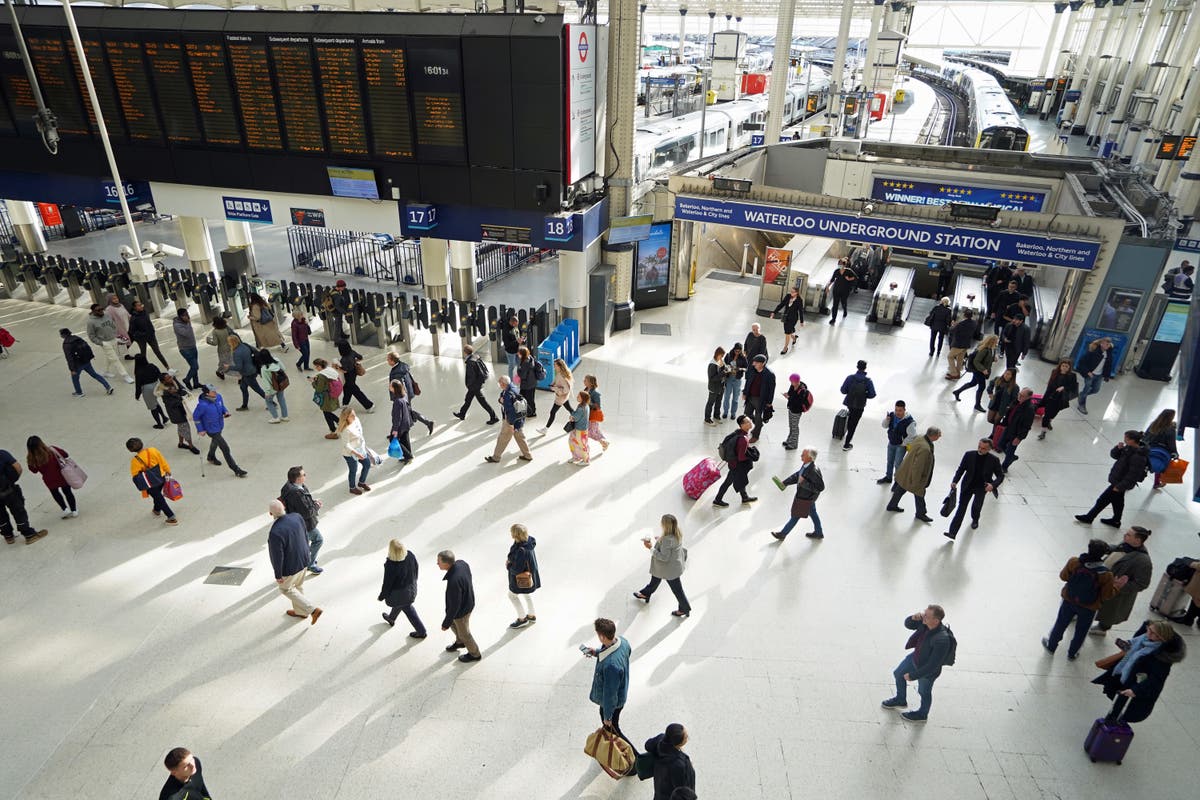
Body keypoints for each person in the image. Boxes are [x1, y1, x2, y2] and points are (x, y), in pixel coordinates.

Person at [1092, 620, 1186, 724]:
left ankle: (1111, 729)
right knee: (1117, 705)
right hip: (1125, 677)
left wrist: (1135, 690)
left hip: (1136, 687)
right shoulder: (1143, 639)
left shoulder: (1161, 659)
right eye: (1149, 629)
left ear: (1161, 638)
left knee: (1122, 710)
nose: (1148, 633)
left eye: (1153, 632)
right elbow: (1132, 648)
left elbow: (1155, 680)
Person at [1041, 539, 1118, 660]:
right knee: (1081, 631)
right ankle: (1072, 653)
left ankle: (1051, 646)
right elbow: (1106, 595)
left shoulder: (1074, 562)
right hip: (1089, 607)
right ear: (1103, 554)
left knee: (1060, 624)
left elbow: (1063, 576)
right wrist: (1117, 587)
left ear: (1089, 548)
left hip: (1069, 600)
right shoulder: (1106, 574)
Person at [880, 605, 952, 722]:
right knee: (898, 673)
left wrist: (913, 675)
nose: (923, 616)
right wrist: (913, 618)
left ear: (936, 620)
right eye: (924, 613)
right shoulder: (925, 623)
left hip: (927, 670)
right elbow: (908, 625)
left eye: (927, 616)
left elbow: (933, 665)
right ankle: (900, 699)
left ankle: (922, 714)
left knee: (924, 691)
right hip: (915, 658)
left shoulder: (942, 639)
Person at [1074, 430, 1151, 526]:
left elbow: (1133, 474)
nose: (1124, 440)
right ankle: (1116, 520)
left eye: (1126, 438)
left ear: (1132, 440)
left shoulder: (1138, 456)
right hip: (1118, 479)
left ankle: (1090, 517)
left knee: (1103, 500)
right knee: (1117, 501)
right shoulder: (1128, 448)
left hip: (1120, 482)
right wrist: (1118, 448)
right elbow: (1114, 455)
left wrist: (1121, 486)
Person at [1091, 526, 1154, 635]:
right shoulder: (1126, 544)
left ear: (1137, 540)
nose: (1124, 535)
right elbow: (1116, 548)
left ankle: (1103, 628)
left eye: (1129, 535)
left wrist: (1119, 586)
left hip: (1117, 591)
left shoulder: (1144, 561)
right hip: (1103, 581)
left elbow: (1142, 584)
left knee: (1109, 611)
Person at [267, 499, 321, 624]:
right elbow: (305, 536)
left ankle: (313, 610)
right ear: (284, 507)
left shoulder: (275, 532)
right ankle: (301, 612)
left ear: (270, 514)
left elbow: (277, 556)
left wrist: (278, 575)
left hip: (290, 567)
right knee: (298, 586)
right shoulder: (297, 517)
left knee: (286, 589)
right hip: (304, 560)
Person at [944, 438, 1004, 540]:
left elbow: (1000, 476)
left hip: (981, 488)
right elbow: (961, 469)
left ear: (989, 449)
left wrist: (992, 485)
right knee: (961, 508)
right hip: (968, 485)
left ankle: (975, 519)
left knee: (977, 506)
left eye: (984, 448)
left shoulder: (994, 460)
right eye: (979, 447)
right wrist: (955, 481)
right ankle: (952, 532)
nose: (980, 450)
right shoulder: (969, 455)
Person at [632, 514, 691, 618]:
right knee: (655, 580)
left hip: (668, 570)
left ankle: (684, 609)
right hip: (672, 566)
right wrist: (660, 539)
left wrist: (650, 547)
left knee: (677, 590)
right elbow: (671, 544)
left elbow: (664, 557)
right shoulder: (677, 532)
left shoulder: (667, 540)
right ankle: (646, 594)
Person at [585, 618, 633, 744]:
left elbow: (610, 695)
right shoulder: (623, 641)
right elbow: (623, 653)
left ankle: (633, 756)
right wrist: (596, 652)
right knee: (613, 728)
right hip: (621, 693)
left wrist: (607, 717)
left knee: (613, 728)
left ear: (602, 636)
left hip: (613, 705)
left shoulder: (611, 666)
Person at [192, 384, 248, 478]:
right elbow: (196, 417)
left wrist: (225, 412)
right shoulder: (202, 405)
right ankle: (236, 469)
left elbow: (222, 406)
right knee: (225, 448)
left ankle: (211, 456)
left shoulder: (218, 397)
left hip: (219, 425)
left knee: (215, 442)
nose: (215, 393)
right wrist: (200, 429)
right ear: (207, 393)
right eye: (213, 392)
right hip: (211, 429)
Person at [887, 427, 941, 522]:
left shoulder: (920, 437)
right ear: (933, 436)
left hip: (906, 470)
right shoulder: (925, 449)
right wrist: (916, 481)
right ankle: (921, 513)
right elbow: (918, 467)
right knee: (919, 493)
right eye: (938, 435)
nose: (939, 436)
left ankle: (892, 505)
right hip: (913, 475)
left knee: (901, 488)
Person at [770, 447, 826, 540]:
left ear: (810, 458)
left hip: (806, 499)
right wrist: (785, 483)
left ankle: (783, 534)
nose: (801, 456)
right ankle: (818, 532)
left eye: (803, 455)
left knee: (795, 516)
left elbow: (820, 487)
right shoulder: (806, 465)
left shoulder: (813, 471)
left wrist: (804, 483)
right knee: (813, 513)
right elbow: (798, 475)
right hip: (808, 498)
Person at [280, 465, 325, 575]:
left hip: (296, 522)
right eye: (303, 474)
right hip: (304, 524)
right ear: (298, 478)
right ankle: (309, 563)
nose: (305, 476)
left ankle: (306, 559)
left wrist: (312, 503)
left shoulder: (289, 486)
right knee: (318, 540)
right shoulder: (296, 493)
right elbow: (307, 513)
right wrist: (317, 506)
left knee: (303, 543)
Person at [439, 550, 481, 662]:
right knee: (454, 625)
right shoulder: (462, 563)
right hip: (468, 601)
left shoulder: (454, 581)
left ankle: (475, 654)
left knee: (465, 634)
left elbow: (454, 606)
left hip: (461, 611)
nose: (437, 564)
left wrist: (445, 623)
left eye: (439, 562)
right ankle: (459, 642)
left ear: (446, 564)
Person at [1, 446, 48, 544]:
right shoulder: (2, 454)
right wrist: (12, 480)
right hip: (8, 490)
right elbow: (18, 468)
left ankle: (8, 536)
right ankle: (29, 534)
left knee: (0, 515)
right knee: (18, 511)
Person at [379, 539, 425, 637]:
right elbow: (416, 568)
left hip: (399, 594)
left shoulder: (390, 565)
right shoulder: (410, 555)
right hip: (411, 589)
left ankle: (422, 632)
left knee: (408, 609)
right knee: (400, 605)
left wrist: (382, 596)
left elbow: (387, 583)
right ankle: (391, 618)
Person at [126, 437, 177, 526]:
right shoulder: (153, 450)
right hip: (162, 477)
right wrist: (168, 471)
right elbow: (163, 461)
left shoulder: (135, 461)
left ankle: (171, 517)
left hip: (150, 483)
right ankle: (157, 510)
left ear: (131, 450)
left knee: (159, 498)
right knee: (157, 496)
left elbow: (135, 475)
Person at [25, 436, 77, 519]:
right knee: (67, 492)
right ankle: (74, 510)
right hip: (62, 475)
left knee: (55, 493)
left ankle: (65, 509)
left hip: (49, 479)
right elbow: (65, 454)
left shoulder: (31, 458)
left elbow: (34, 471)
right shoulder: (51, 450)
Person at [485, 374, 533, 463]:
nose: (499, 385)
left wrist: (511, 423)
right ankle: (528, 455)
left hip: (510, 420)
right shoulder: (513, 387)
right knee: (520, 437)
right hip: (519, 418)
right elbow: (504, 400)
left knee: (503, 438)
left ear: (503, 384)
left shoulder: (507, 394)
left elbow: (509, 409)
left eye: (499, 384)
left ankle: (496, 457)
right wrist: (500, 400)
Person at [386, 352, 434, 435]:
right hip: (408, 393)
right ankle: (428, 423)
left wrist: (400, 399)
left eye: (388, 359)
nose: (387, 361)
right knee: (406, 412)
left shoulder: (397, 373)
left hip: (403, 396)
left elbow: (400, 387)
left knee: (401, 413)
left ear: (393, 361)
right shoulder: (402, 365)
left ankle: (428, 423)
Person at [713, 415, 756, 507]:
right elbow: (741, 457)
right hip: (736, 466)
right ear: (742, 425)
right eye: (748, 422)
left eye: (750, 421)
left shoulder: (738, 433)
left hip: (733, 463)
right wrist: (751, 456)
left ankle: (744, 497)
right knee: (728, 482)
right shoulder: (743, 439)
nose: (750, 422)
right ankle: (717, 500)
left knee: (741, 480)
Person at [644, 724, 696, 800]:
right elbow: (684, 791)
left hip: (659, 792)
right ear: (679, 743)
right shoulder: (680, 764)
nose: (688, 737)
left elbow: (647, 745)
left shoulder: (660, 742)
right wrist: (689, 766)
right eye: (686, 737)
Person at [86, 303, 133, 384]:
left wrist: (116, 335)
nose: (101, 311)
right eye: (98, 310)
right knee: (115, 359)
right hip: (105, 342)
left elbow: (113, 325)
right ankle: (125, 375)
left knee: (110, 357)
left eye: (102, 309)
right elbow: (91, 336)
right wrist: (101, 343)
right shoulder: (91, 322)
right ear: (93, 311)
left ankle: (105, 371)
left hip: (113, 339)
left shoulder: (106, 315)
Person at [506, 523, 541, 628]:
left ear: (515, 536)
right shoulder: (529, 541)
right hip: (530, 576)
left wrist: (508, 565)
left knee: (512, 595)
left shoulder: (521, 550)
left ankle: (522, 619)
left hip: (521, 578)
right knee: (526, 593)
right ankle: (531, 615)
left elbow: (517, 569)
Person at [453, 344, 499, 424]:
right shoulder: (476, 356)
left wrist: (469, 385)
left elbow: (471, 377)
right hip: (477, 384)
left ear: (465, 352)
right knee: (468, 399)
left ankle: (494, 417)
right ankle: (462, 414)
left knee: (483, 402)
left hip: (474, 386)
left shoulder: (470, 362)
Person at [61, 327, 113, 397]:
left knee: (75, 378)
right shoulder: (77, 338)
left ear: (63, 335)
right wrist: (91, 356)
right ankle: (108, 387)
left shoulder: (66, 344)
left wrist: (72, 369)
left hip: (77, 365)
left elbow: (69, 358)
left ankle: (79, 392)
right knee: (95, 374)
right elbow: (87, 347)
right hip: (86, 361)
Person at [952, 334, 999, 412]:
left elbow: (986, 359)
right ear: (992, 341)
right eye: (996, 341)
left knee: (973, 383)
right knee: (982, 387)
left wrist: (993, 359)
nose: (997, 342)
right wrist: (983, 369)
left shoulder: (991, 349)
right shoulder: (984, 349)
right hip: (979, 371)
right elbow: (976, 361)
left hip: (980, 371)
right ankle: (977, 405)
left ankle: (957, 392)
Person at [838, 359, 877, 450]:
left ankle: (846, 437)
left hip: (850, 403)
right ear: (865, 368)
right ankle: (847, 444)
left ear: (857, 367)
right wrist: (864, 395)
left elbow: (843, 390)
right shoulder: (868, 381)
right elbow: (873, 394)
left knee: (850, 419)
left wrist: (850, 391)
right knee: (854, 423)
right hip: (860, 405)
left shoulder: (850, 378)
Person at [155, 374, 199, 454]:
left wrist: (179, 393)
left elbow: (182, 389)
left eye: (170, 377)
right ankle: (191, 446)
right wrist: (180, 398)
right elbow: (170, 403)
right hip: (176, 413)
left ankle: (181, 443)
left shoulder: (174, 382)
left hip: (182, 409)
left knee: (181, 427)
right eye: (168, 378)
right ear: (164, 381)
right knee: (186, 428)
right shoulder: (164, 392)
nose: (171, 378)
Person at [996, 387, 1036, 472]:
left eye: (1022, 396)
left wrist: (1019, 437)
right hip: (1009, 428)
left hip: (1017, 433)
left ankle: (1004, 467)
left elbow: (1027, 426)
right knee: (1000, 444)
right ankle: (1011, 457)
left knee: (1011, 449)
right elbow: (1009, 412)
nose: (1019, 396)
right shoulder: (1016, 401)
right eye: (1019, 394)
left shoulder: (1029, 409)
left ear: (1028, 397)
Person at [1037, 360, 1079, 439]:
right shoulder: (1054, 372)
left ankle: (1049, 421)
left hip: (1061, 399)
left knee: (1054, 413)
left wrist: (1064, 387)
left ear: (1069, 367)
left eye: (1066, 366)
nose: (1064, 368)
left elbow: (1073, 387)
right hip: (1051, 397)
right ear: (1060, 366)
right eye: (1063, 366)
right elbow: (1049, 385)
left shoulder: (1072, 375)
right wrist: (1044, 399)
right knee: (1046, 415)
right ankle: (1043, 431)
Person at [877, 401, 916, 485]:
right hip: (891, 443)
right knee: (890, 461)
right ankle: (888, 477)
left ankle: (897, 481)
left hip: (900, 446)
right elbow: (884, 426)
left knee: (898, 464)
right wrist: (887, 420)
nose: (897, 412)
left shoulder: (909, 421)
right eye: (896, 410)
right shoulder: (892, 415)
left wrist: (903, 443)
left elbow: (912, 435)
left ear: (904, 410)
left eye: (900, 410)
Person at [336, 406, 372, 494]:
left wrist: (363, 446)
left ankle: (361, 482)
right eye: (352, 415)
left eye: (354, 414)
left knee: (367, 464)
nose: (354, 416)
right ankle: (352, 487)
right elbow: (346, 445)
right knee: (353, 470)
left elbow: (360, 433)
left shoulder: (356, 420)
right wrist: (356, 453)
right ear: (346, 418)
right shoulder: (345, 430)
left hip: (360, 449)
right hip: (350, 454)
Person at [741, 354, 775, 443]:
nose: (753, 364)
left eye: (756, 362)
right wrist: (745, 393)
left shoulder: (769, 374)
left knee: (758, 417)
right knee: (747, 414)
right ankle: (758, 425)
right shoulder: (752, 370)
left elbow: (772, 389)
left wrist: (769, 402)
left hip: (761, 400)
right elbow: (748, 382)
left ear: (762, 363)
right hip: (750, 397)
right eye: (754, 362)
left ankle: (756, 435)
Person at [1075, 337, 1114, 415]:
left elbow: (1108, 365)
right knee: (1087, 388)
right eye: (1106, 344)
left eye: (1109, 344)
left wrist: (1106, 376)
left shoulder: (1108, 354)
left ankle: (1081, 395)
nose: (1107, 345)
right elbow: (1081, 362)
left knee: (1096, 390)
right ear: (1101, 344)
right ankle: (1081, 405)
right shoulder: (1093, 352)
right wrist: (1087, 372)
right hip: (1090, 374)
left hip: (1099, 375)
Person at [227, 333, 266, 411]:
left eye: (229, 342)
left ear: (232, 343)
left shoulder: (236, 353)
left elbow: (239, 367)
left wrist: (228, 367)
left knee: (258, 389)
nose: (228, 344)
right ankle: (244, 406)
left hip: (248, 374)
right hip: (253, 370)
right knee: (243, 387)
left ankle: (271, 402)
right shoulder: (244, 345)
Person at [128, 299, 170, 369]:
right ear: (134, 308)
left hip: (151, 336)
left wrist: (152, 331)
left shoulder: (145, 312)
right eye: (138, 306)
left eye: (141, 305)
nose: (141, 306)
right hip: (141, 339)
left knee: (157, 352)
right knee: (143, 354)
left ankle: (167, 367)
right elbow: (132, 331)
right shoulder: (133, 318)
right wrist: (141, 335)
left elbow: (149, 323)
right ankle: (146, 368)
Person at [1144, 408, 1179, 489]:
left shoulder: (1154, 424)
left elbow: (1146, 436)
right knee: (1161, 464)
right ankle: (1156, 483)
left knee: (1141, 465)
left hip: (1151, 449)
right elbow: (1171, 443)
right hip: (1163, 450)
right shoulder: (1171, 429)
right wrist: (1175, 453)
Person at [336, 339, 374, 412]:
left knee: (356, 391)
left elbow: (344, 370)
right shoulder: (352, 352)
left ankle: (369, 405)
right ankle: (345, 403)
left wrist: (337, 367)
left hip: (348, 375)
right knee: (347, 388)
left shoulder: (343, 359)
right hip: (353, 373)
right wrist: (354, 361)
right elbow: (360, 357)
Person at [539, 357, 575, 434]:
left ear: (560, 366)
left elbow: (566, 390)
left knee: (552, 412)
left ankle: (545, 429)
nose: (554, 366)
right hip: (564, 397)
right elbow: (556, 381)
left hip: (561, 397)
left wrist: (555, 389)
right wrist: (553, 385)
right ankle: (578, 419)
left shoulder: (562, 376)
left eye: (555, 365)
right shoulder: (561, 373)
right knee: (570, 409)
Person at [310, 359, 343, 439]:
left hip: (326, 397)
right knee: (327, 412)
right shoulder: (330, 370)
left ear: (320, 366)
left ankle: (334, 430)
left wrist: (313, 382)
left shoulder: (321, 376)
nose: (316, 368)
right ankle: (338, 425)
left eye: (316, 366)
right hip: (333, 394)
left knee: (326, 413)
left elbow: (319, 389)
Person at [133, 353, 168, 429]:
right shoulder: (152, 366)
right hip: (157, 385)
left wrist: (137, 395)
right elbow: (159, 374)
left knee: (152, 407)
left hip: (147, 388)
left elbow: (138, 385)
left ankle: (159, 424)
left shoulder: (138, 371)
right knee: (156, 402)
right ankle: (164, 417)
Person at [256, 348, 289, 423]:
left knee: (269, 402)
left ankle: (275, 417)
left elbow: (266, 382)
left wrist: (267, 393)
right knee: (281, 399)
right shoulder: (276, 360)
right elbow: (283, 368)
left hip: (272, 388)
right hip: (280, 385)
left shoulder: (264, 369)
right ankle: (285, 416)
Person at [781, 373, 812, 450]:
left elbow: (798, 402)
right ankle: (789, 440)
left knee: (794, 427)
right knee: (791, 425)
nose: (791, 383)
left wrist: (789, 397)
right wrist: (787, 395)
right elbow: (791, 394)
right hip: (791, 408)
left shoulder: (802, 391)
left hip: (796, 411)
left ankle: (794, 444)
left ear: (797, 381)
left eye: (792, 381)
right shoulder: (793, 386)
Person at [944, 309, 977, 380]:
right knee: (960, 359)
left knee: (950, 356)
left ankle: (953, 373)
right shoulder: (974, 323)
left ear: (964, 315)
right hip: (966, 344)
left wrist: (953, 325)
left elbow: (951, 330)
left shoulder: (961, 324)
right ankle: (957, 372)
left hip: (958, 344)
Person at [771, 286, 805, 354]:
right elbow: (781, 305)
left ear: (797, 293)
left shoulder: (799, 300)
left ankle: (785, 348)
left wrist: (801, 321)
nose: (791, 293)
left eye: (793, 292)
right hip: (785, 317)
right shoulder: (788, 296)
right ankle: (794, 338)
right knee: (788, 331)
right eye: (791, 291)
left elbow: (801, 311)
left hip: (793, 318)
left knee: (787, 332)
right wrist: (774, 312)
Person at [388, 379, 415, 463]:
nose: (389, 387)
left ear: (394, 388)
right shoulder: (404, 396)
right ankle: (408, 455)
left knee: (393, 438)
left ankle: (408, 456)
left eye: (390, 386)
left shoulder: (397, 401)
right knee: (405, 439)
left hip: (400, 425)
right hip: (406, 422)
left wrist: (395, 429)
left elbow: (397, 417)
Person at [173, 308, 200, 390]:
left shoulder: (186, 322)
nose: (188, 316)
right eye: (185, 315)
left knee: (193, 366)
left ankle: (196, 383)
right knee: (195, 367)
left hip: (192, 346)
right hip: (185, 349)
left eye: (187, 314)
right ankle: (186, 379)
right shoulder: (177, 325)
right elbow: (187, 334)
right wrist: (188, 323)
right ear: (181, 316)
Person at [720, 342, 747, 420]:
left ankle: (733, 413)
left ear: (741, 351)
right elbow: (723, 364)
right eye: (736, 351)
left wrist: (740, 369)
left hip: (737, 379)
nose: (737, 352)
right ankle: (725, 412)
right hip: (729, 378)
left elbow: (746, 368)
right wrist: (727, 368)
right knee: (726, 397)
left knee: (735, 398)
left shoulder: (743, 358)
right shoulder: (728, 355)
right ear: (734, 349)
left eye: (739, 351)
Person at [584, 374, 610, 450]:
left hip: (592, 416)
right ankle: (605, 442)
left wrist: (589, 402)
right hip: (587, 414)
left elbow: (598, 406)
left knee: (591, 433)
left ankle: (603, 442)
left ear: (591, 383)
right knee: (596, 431)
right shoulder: (586, 389)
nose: (584, 381)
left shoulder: (595, 393)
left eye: (585, 380)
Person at [104, 294, 132, 360]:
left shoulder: (121, 305)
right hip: (118, 328)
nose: (116, 300)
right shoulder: (109, 309)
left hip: (126, 325)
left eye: (116, 298)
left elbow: (127, 314)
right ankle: (126, 355)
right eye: (114, 299)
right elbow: (108, 321)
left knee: (127, 341)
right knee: (124, 341)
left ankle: (125, 353)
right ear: (110, 300)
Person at [514, 346, 540, 419]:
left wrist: (518, 370)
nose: (517, 354)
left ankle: (531, 412)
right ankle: (530, 411)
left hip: (527, 384)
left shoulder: (525, 363)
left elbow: (523, 375)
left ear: (522, 354)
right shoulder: (530, 358)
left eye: (519, 353)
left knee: (526, 398)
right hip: (532, 382)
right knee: (530, 398)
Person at [829, 259, 857, 324]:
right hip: (836, 290)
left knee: (843, 302)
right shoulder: (836, 271)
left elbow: (855, 277)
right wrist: (828, 286)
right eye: (839, 264)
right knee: (835, 305)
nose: (839, 266)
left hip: (845, 290)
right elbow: (832, 279)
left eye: (841, 264)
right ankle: (833, 318)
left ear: (844, 265)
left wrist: (849, 278)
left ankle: (845, 310)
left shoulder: (849, 271)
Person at [568, 390, 592, 465]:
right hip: (581, 429)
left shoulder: (581, 408)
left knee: (582, 445)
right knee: (572, 442)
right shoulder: (585, 405)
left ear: (582, 398)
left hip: (580, 430)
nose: (577, 397)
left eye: (578, 396)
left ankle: (586, 461)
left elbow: (575, 418)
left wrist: (571, 416)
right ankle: (576, 457)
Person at [704, 347, 726, 425]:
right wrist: (723, 373)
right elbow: (712, 378)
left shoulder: (719, 362)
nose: (722, 357)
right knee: (710, 403)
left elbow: (722, 371)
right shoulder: (712, 364)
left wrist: (724, 367)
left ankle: (716, 416)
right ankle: (707, 419)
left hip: (720, 387)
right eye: (721, 355)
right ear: (718, 354)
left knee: (718, 402)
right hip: (714, 388)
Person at [206, 316, 233, 381]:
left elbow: (215, 343)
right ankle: (221, 371)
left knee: (223, 361)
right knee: (229, 360)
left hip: (221, 349)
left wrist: (208, 340)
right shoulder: (227, 328)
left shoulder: (215, 331)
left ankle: (220, 372)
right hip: (229, 347)